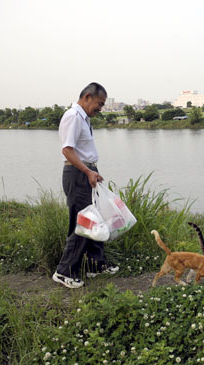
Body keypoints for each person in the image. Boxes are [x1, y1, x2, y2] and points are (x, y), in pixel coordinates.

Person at [52, 82, 119, 289]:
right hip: (78, 175)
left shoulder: (83, 118)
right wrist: (88, 171)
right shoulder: (73, 116)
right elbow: (67, 150)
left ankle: (95, 264)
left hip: (86, 173)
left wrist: (92, 171)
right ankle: (63, 272)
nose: (100, 108)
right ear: (88, 97)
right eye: (99, 104)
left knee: (94, 220)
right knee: (82, 224)